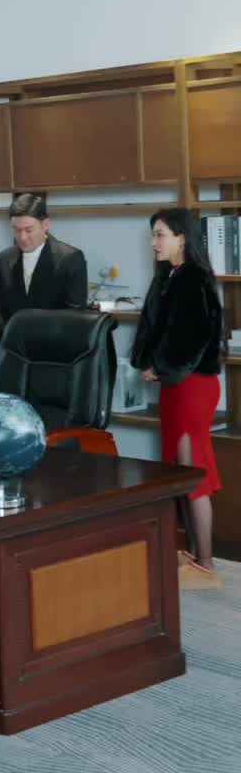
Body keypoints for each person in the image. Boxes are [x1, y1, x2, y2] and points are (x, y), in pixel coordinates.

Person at [131, 208, 224, 588]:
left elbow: (193, 337)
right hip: (176, 386)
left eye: (160, 234)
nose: (154, 242)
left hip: (192, 387)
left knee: (193, 472)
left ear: (181, 238)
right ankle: (197, 556)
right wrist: (150, 363)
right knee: (181, 472)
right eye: (153, 235)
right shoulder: (168, 276)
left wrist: (162, 367)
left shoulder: (193, 278)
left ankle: (207, 564)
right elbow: (154, 330)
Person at [0, 192, 88, 337]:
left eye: (29, 230)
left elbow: (75, 315)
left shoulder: (70, 259)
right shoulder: (3, 259)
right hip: (16, 345)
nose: (22, 237)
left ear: (45, 225)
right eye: (16, 230)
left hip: (57, 345)